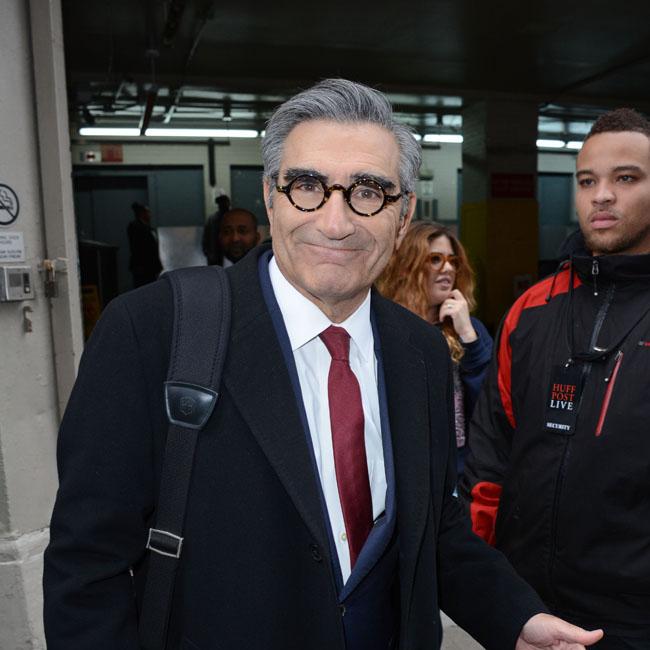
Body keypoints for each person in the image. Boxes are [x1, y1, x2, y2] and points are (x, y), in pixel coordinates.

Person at [43, 79, 602, 650]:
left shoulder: (421, 352)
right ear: (271, 196)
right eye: (308, 186)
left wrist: (515, 619)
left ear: (404, 213)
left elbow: (435, 530)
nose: (336, 223)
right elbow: (87, 565)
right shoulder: (153, 330)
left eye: (369, 191)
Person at [460, 107, 650, 648]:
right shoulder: (531, 310)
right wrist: (490, 588)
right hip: (528, 610)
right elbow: (491, 456)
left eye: (626, 178)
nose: (602, 196)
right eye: (587, 181)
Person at [376, 222, 492, 474]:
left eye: (453, 261)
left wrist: (468, 337)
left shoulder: (470, 330)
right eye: (436, 259)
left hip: (457, 473)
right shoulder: (383, 325)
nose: (448, 268)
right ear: (408, 266)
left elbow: (490, 408)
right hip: (400, 470)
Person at [127, 202, 162, 287]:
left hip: (150, 266)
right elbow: (137, 247)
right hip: (142, 267)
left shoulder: (148, 228)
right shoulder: (135, 227)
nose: (150, 215)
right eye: (148, 212)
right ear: (142, 213)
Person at [202, 193, 231, 265]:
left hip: (218, 254)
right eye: (222, 203)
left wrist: (206, 250)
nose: (223, 205)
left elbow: (206, 236)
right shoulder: (213, 219)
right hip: (216, 253)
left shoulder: (213, 219)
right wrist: (207, 251)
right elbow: (206, 235)